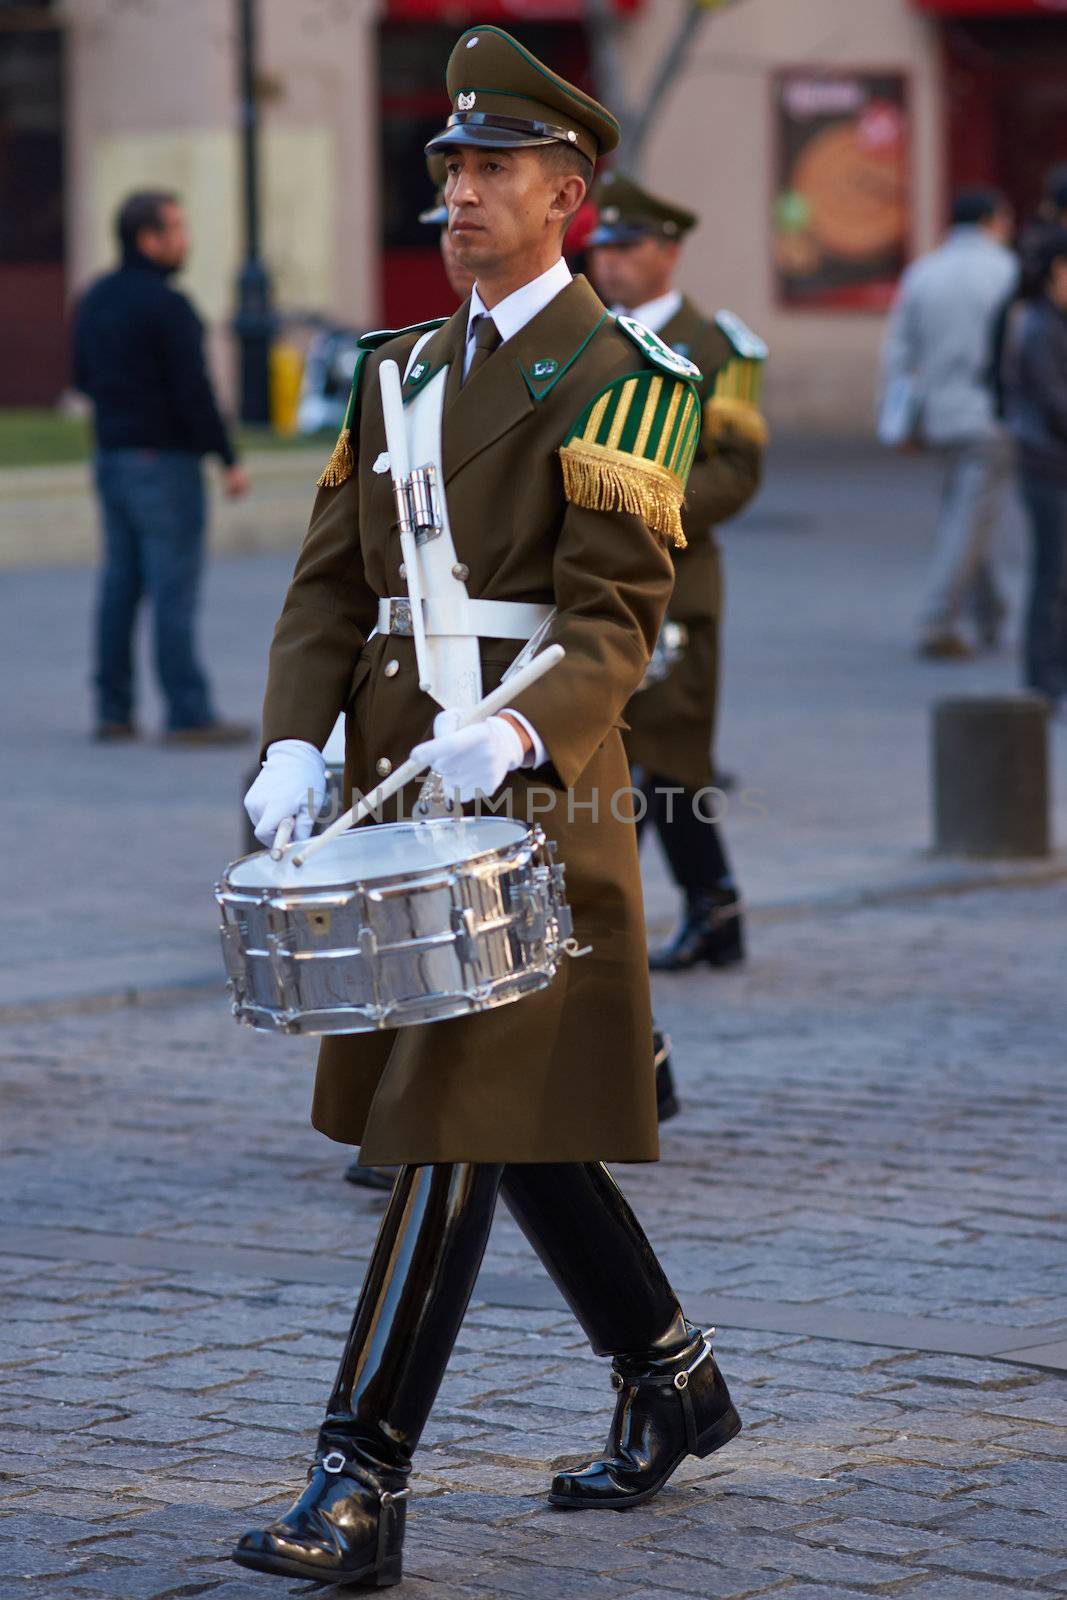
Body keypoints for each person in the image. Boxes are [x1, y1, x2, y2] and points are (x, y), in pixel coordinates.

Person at [236, 26, 740, 1587]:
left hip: (532, 809)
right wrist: (291, 743)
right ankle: (672, 1381)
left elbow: (611, 621)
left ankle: (358, 1481)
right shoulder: (392, 369)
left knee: (453, 1113)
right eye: (448, 165)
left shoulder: (631, 379)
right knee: (506, 1124)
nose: (454, 191)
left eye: (489, 169)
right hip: (397, 799)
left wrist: (514, 729)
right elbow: (328, 586)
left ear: (566, 196)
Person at [589, 172, 767, 975]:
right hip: (591, 577)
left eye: (627, 249)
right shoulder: (590, 335)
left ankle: (594, 914)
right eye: (602, 249)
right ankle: (712, 908)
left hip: (676, 577)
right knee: (652, 755)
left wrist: (644, 511)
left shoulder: (716, 347)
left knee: (662, 748)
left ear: (668, 251)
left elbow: (736, 470)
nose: (609, 264)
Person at [73, 190, 251, 744]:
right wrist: (227, 458)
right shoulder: (169, 306)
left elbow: (81, 376)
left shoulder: (94, 298)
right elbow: (192, 392)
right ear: (148, 239)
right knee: (173, 589)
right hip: (165, 465)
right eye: (176, 228)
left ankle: (113, 708)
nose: (185, 239)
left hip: (112, 458)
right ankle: (187, 711)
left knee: (120, 586)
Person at [878, 187, 1019, 660]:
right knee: (970, 517)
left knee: (968, 514)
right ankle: (938, 619)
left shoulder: (925, 271)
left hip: (940, 415)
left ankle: (991, 611)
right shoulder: (1009, 272)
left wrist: (899, 418)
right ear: (994, 221)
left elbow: (898, 351)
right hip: (993, 414)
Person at [1004, 228, 1067, 710]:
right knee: (1052, 573)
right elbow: (1052, 402)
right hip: (1047, 463)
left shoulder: (1051, 322)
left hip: (1050, 458)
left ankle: (1052, 672)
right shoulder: (1040, 327)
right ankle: (1043, 676)